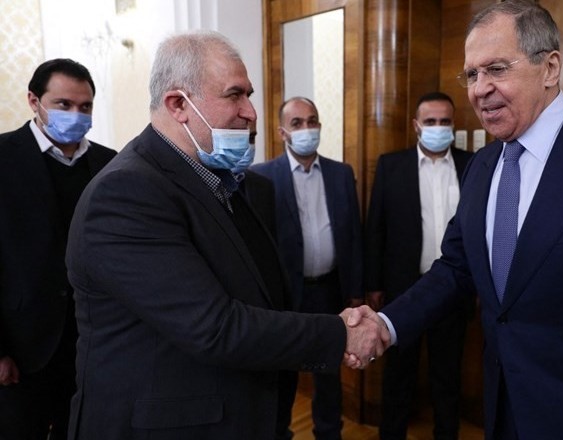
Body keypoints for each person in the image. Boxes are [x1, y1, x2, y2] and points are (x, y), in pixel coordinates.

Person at [348, 1, 563, 439]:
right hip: (503, 409)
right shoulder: (482, 166)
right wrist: (385, 324)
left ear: (549, 68)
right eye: (471, 75)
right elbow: (456, 268)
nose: (480, 89)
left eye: (496, 69)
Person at [64, 30, 385, 439]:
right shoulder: (127, 192)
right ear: (178, 104)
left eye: (248, 95)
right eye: (235, 95)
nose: (251, 112)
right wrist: (342, 333)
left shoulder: (218, 179)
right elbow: (214, 327)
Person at [0, 58, 117, 440]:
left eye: (85, 107)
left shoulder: (110, 165)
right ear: (34, 101)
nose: (76, 115)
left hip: (93, 345)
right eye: (64, 104)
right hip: (22, 348)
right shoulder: (4, 156)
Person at [251, 96, 364, 440]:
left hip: (329, 291)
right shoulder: (261, 178)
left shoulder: (341, 173)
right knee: (284, 376)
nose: (306, 129)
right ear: (282, 132)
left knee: (328, 374)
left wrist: (356, 292)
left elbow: (354, 237)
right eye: (297, 123)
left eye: (312, 121)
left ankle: (329, 433)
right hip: (286, 297)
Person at [364, 92, 473, 440]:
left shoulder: (473, 165)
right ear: (416, 125)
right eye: (430, 121)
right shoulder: (391, 166)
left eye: (444, 121)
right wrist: (374, 284)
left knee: (447, 376)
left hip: (454, 292)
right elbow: (376, 228)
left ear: (453, 125)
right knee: (398, 374)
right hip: (405, 290)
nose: (438, 127)